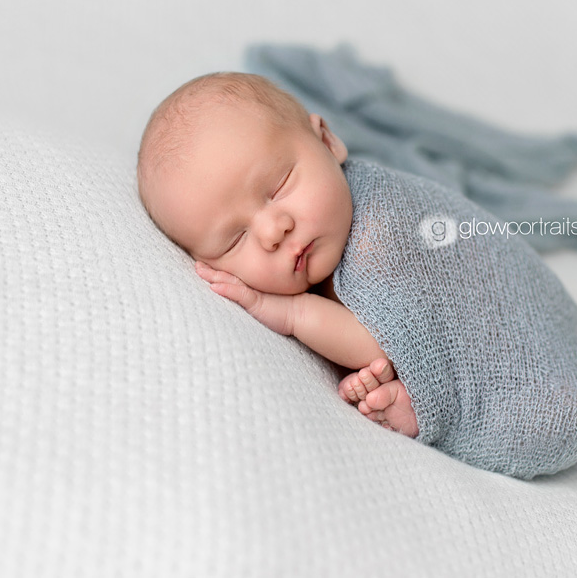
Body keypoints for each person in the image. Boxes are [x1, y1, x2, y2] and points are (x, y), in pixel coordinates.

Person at [137, 71, 421, 436]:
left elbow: (391, 341)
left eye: (279, 186)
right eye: (235, 240)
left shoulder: (383, 228)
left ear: (327, 141)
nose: (273, 232)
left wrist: (293, 314)